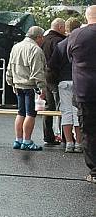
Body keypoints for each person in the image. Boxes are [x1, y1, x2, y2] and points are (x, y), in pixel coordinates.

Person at [66, 6, 96, 183]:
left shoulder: (76, 35)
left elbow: (70, 56)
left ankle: (94, 172)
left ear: (86, 17)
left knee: (90, 132)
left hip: (85, 91)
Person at [5, 26, 47, 151]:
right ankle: (27, 141)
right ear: (38, 37)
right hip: (31, 87)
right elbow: (37, 72)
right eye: (42, 37)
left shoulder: (16, 47)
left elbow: (10, 67)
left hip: (18, 85)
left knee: (20, 112)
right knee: (30, 114)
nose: (43, 40)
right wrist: (42, 88)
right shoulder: (36, 50)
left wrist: (11, 82)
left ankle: (18, 140)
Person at [47, 17, 83, 153]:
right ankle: (79, 143)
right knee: (77, 112)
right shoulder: (82, 43)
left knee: (66, 112)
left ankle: (69, 142)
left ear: (66, 29)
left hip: (63, 81)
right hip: (79, 80)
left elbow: (52, 65)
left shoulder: (61, 45)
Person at [41, 18, 67, 146]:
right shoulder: (59, 41)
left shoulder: (43, 40)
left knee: (48, 107)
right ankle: (64, 135)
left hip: (45, 76)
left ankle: (48, 135)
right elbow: (61, 61)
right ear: (60, 27)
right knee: (61, 107)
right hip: (56, 77)